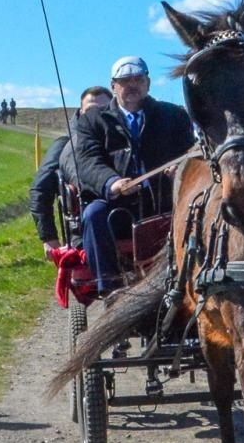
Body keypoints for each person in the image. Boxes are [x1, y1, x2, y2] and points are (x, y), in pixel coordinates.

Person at [72, 56, 195, 293]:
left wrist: (180, 168)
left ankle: (190, 282)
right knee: (93, 214)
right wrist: (112, 182)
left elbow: (189, 152)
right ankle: (110, 290)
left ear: (148, 83)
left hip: (165, 203)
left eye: (138, 79)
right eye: (125, 80)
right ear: (113, 85)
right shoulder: (92, 121)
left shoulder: (174, 116)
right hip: (117, 208)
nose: (132, 85)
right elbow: (87, 161)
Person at [29, 86, 112, 254]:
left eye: (103, 110)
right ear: (81, 113)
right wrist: (49, 237)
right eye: (90, 110)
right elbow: (40, 189)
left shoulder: (124, 139)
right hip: (84, 232)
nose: (96, 116)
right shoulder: (64, 145)